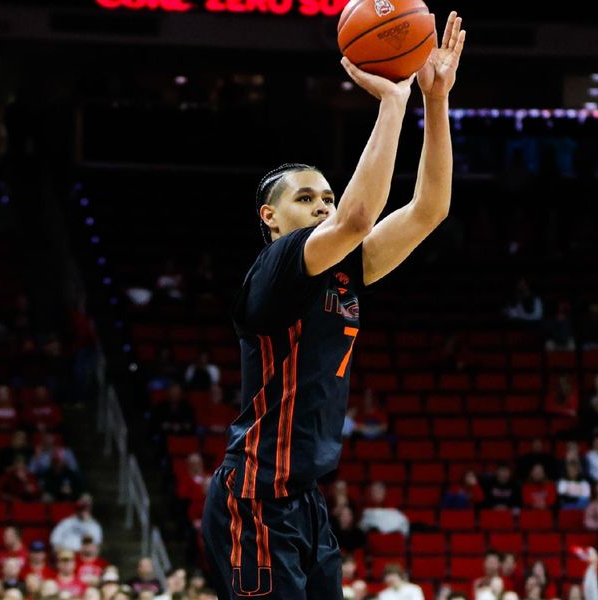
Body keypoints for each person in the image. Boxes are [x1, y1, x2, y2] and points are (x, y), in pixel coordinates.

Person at [201, 14, 466, 600]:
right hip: (255, 497)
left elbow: (429, 210)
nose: (322, 206)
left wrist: (436, 102)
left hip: (306, 500)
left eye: (326, 195)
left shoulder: (344, 272)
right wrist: (393, 102)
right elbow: (357, 218)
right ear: (270, 218)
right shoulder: (274, 268)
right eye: (305, 198)